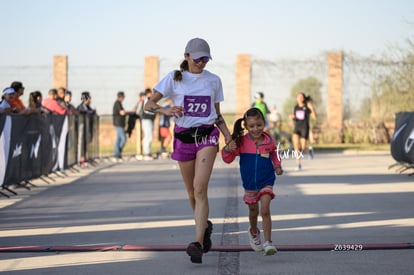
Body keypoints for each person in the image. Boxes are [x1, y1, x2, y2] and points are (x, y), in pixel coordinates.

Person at [144, 37, 232, 264]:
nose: (202, 63)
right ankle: (205, 227)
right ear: (186, 56)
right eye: (198, 59)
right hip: (183, 138)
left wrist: (228, 136)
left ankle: (198, 244)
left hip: (207, 136)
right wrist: (167, 110)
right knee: (192, 193)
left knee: (200, 188)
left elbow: (217, 113)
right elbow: (148, 105)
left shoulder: (214, 80)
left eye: (206, 59)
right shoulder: (174, 78)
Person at [222, 107, 283, 256]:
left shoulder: (269, 141)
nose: (256, 129)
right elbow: (227, 159)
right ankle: (254, 231)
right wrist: (228, 148)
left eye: (259, 125)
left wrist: (277, 166)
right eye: (252, 126)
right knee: (253, 211)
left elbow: (275, 154)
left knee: (265, 210)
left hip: (266, 180)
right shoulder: (241, 142)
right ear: (246, 126)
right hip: (250, 184)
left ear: (264, 123)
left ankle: (268, 242)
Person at [289, 92, 317, 170]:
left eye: (301, 97)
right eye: (298, 97)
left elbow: (314, 117)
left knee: (303, 148)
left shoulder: (307, 106)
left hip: (305, 128)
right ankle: (298, 164)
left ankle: (309, 150)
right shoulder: (296, 107)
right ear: (296, 98)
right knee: (296, 146)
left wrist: (312, 108)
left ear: (303, 98)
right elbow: (296, 117)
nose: (300, 98)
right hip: (297, 128)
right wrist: (292, 117)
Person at [140, 88, 156, 160]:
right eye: (150, 93)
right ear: (147, 93)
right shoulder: (146, 100)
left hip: (150, 120)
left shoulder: (150, 100)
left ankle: (148, 152)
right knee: (148, 136)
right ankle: (146, 153)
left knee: (149, 136)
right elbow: (146, 110)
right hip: (146, 120)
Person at [112, 91, 127, 161]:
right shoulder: (117, 103)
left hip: (120, 124)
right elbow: (122, 112)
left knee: (118, 139)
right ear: (120, 97)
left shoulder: (119, 103)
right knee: (123, 139)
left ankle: (117, 154)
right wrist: (129, 112)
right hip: (118, 124)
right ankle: (117, 153)